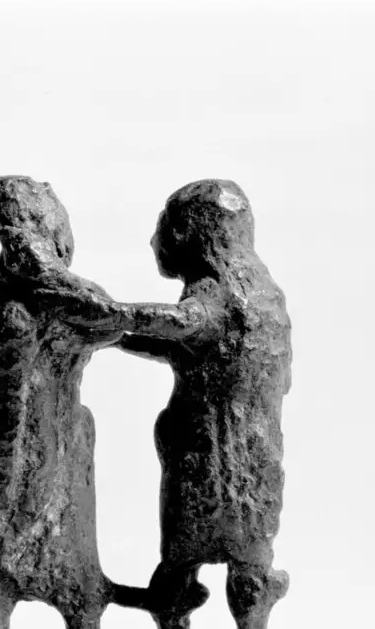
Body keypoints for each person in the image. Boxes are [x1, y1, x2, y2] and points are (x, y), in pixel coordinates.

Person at [0, 176, 208, 629]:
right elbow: (105, 319)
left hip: (57, 442)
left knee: (57, 552)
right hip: (31, 450)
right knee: (19, 554)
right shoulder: (23, 299)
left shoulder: (11, 294)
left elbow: (107, 323)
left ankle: (80, 586)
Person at [112, 179, 291, 629]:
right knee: (241, 563)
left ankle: (184, 609)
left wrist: (111, 316)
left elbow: (183, 324)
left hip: (209, 457)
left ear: (192, 235)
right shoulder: (264, 293)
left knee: (183, 564)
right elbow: (185, 345)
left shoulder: (215, 291)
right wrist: (114, 336)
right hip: (252, 457)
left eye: (165, 227)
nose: (155, 241)